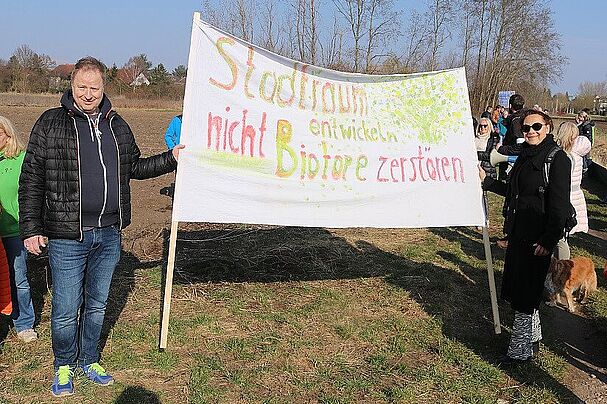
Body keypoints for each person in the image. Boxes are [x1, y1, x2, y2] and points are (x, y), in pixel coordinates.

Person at [18, 57, 185, 397]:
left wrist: (171, 158)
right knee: (66, 305)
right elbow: (31, 178)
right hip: (67, 236)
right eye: (82, 87)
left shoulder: (116, 124)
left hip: (109, 234)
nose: (89, 94)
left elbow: (134, 166)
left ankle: (89, 359)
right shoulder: (51, 123)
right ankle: (64, 364)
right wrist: (31, 227)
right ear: (72, 85)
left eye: (95, 88)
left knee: (96, 304)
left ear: (104, 88)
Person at [480, 109, 571, 365]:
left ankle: (518, 352)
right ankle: (533, 338)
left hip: (537, 238)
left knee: (525, 293)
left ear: (548, 128)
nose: (530, 131)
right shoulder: (524, 156)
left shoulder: (557, 158)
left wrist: (548, 240)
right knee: (523, 288)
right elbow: (513, 191)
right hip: (519, 234)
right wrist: (487, 181)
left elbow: (559, 206)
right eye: (526, 128)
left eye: (536, 127)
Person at [0, 115, 37, 343]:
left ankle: (23, 322)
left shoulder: (21, 160)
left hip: (13, 230)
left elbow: (33, 193)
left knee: (18, 278)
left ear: (9, 134)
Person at [552, 121, 591, 259]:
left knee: (559, 235)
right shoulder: (577, 154)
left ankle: (560, 263)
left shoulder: (567, 156)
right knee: (562, 234)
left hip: (566, 195)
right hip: (574, 194)